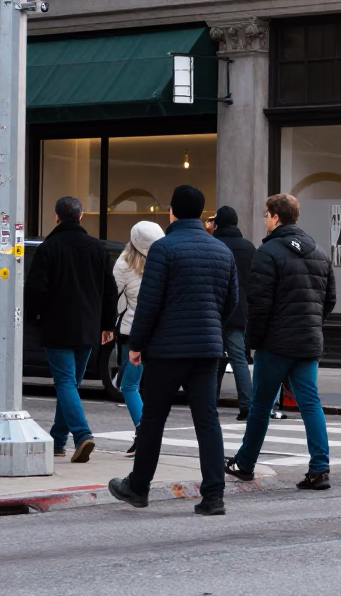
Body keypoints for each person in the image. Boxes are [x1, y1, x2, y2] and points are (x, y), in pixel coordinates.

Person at [108, 185, 238, 516]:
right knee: (207, 421)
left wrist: (136, 345)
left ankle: (138, 486)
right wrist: (211, 325)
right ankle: (214, 495)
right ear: (200, 212)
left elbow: (149, 303)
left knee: (153, 420)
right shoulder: (222, 251)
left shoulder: (164, 249)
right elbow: (232, 302)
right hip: (207, 349)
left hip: (167, 350)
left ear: (172, 212)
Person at [225, 194, 336, 492]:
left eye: (266, 214)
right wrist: (311, 323)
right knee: (310, 403)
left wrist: (254, 340)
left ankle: (246, 463)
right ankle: (319, 468)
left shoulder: (269, 251)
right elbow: (330, 300)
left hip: (275, 342)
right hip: (308, 340)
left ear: (276, 217)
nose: (264, 219)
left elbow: (259, 303)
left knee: (261, 404)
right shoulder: (319, 252)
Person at [24, 196, 117, 463]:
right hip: (88, 327)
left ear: (56, 217)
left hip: (57, 325)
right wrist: (107, 325)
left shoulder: (49, 247)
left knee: (65, 383)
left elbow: (35, 288)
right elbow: (109, 291)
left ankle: (82, 434)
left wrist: (35, 318)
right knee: (71, 385)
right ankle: (57, 440)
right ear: (81, 216)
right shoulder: (97, 248)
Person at [112, 220, 166, 454]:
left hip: (131, 333)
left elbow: (114, 297)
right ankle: (147, 431)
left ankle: (144, 432)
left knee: (129, 385)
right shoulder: (165, 262)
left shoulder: (123, 264)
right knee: (150, 385)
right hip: (161, 333)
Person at [211, 206, 256, 421]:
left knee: (216, 358)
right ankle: (246, 404)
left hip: (215, 310)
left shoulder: (214, 245)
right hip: (240, 311)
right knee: (238, 358)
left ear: (218, 224)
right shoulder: (248, 248)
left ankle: (209, 403)